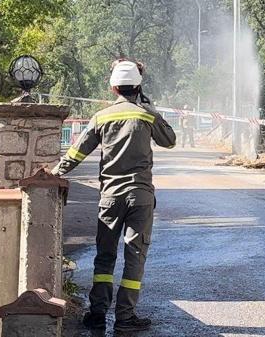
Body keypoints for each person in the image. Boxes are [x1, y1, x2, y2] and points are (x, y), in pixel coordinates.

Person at [51, 59, 176, 332]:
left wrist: (53, 174)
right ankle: (125, 317)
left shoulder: (101, 117)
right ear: (138, 87)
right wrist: (151, 108)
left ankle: (97, 313)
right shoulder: (145, 115)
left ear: (113, 89)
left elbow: (76, 153)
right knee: (135, 257)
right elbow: (170, 140)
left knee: (104, 257)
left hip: (109, 197)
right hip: (140, 197)